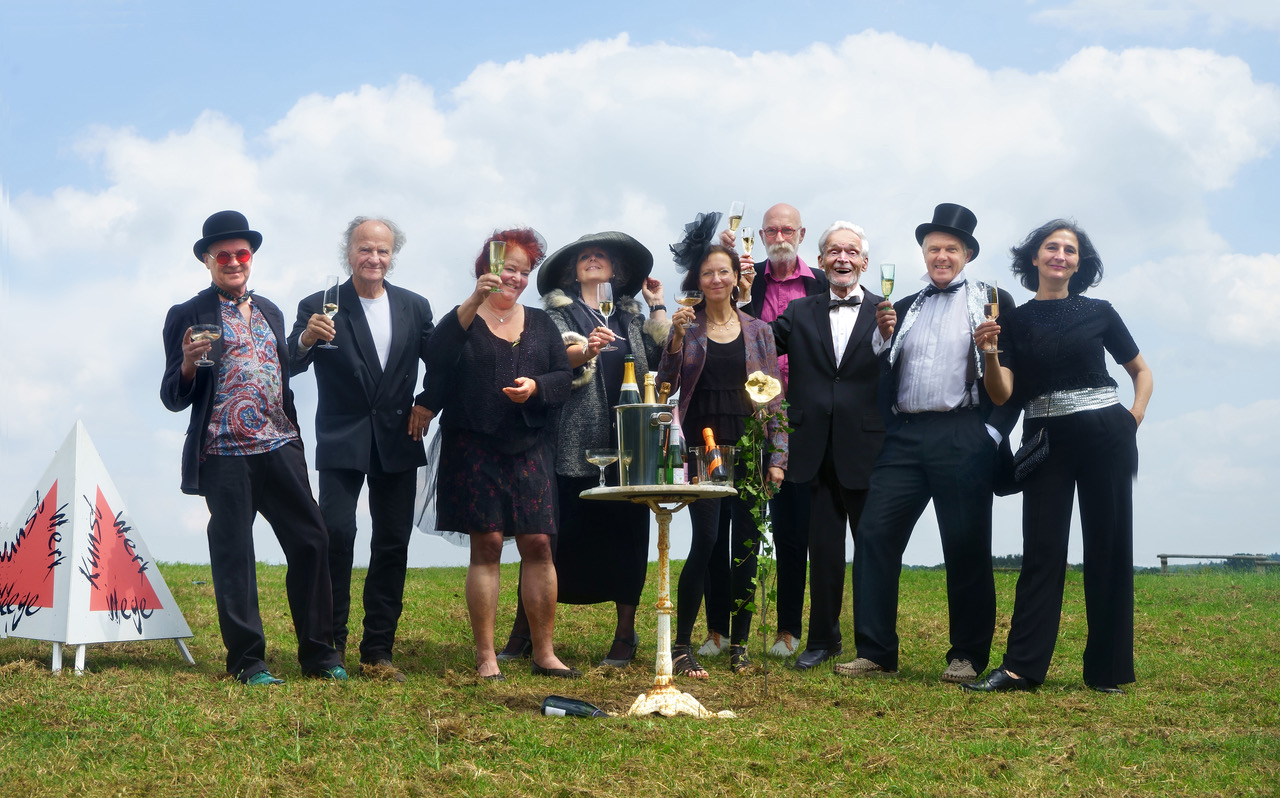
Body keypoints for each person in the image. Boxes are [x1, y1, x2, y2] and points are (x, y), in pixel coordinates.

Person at [963, 220, 1153, 694]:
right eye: (1052, 247)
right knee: (1042, 552)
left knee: (1109, 548)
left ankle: (1107, 671)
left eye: (1070, 250)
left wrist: (1132, 418)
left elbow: (1141, 371)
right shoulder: (1014, 321)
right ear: (1034, 257)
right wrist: (990, 353)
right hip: (1045, 440)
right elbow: (1002, 394)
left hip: (1107, 434)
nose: (1060, 255)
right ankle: (1020, 669)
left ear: (1078, 263)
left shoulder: (1100, 312)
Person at [160, 210, 345, 686]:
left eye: (241, 254)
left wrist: (304, 341)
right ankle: (248, 661)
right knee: (234, 552)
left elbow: (280, 367)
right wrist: (187, 363)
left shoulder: (269, 310)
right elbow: (172, 396)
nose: (233, 262)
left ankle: (320, 656)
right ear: (207, 261)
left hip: (279, 442)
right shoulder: (187, 314)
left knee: (312, 539)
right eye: (222, 255)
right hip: (223, 450)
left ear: (251, 258)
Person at [838, 203, 1018, 683]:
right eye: (934, 248)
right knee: (874, 535)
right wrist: (882, 341)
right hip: (904, 437)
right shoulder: (903, 306)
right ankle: (876, 652)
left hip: (964, 433)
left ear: (967, 255)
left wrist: (990, 434)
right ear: (923, 252)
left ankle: (967, 655)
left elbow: (1015, 373)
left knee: (965, 544)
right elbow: (882, 371)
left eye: (951, 249)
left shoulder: (994, 299)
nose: (941, 256)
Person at [495, 232, 670, 667]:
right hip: (571, 443)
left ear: (617, 270)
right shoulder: (554, 316)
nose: (592, 259)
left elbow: (664, 363)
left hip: (628, 445)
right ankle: (524, 631)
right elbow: (550, 363)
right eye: (584, 256)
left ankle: (625, 634)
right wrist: (585, 350)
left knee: (628, 538)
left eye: (601, 255)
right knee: (550, 539)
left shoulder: (630, 318)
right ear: (572, 272)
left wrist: (657, 307)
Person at [423, 228, 575, 680]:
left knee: (539, 543)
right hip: (474, 445)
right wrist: (475, 299)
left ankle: (544, 652)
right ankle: (486, 656)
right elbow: (436, 356)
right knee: (487, 543)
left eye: (524, 272)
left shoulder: (542, 324)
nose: (516, 278)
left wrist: (536, 387)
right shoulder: (464, 317)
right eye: (509, 268)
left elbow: (563, 378)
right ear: (487, 269)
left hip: (530, 445)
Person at [287, 216, 434, 683]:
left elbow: (444, 361)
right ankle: (330, 646)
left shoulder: (415, 306)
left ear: (393, 256)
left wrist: (429, 402)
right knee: (335, 532)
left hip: (398, 435)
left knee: (392, 542)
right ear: (348, 253)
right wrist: (307, 338)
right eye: (364, 249)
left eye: (382, 250)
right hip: (341, 435)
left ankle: (378, 651)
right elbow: (288, 361)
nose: (374, 258)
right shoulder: (318, 304)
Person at [657, 212, 787, 677]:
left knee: (747, 546)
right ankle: (681, 645)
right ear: (698, 281)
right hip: (702, 449)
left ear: (736, 278)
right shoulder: (687, 329)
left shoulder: (759, 331)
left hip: (749, 445)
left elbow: (774, 397)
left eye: (723, 272)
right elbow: (664, 386)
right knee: (707, 541)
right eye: (707, 273)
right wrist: (674, 337)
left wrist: (778, 457)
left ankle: (740, 646)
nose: (716, 279)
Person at [769, 222, 884, 670]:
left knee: (873, 551)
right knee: (823, 552)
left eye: (851, 252)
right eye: (834, 251)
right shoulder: (799, 311)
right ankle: (822, 640)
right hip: (812, 446)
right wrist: (730, 302)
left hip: (868, 447)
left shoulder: (887, 311)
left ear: (864, 262)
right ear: (820, 261)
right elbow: (757, 340)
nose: (842, 259)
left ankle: (873, 648)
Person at [718, 203, 828, 658]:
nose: (779, 237)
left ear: (801, 234)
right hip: (746, 414)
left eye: (787, 229)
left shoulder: (821, 283)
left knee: (792, 527)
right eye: (771, 230)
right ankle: (719, 630)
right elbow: (726, 328)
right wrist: (737, 286)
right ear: (760, 236)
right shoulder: (747, 278)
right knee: (731, 523)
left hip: (802, 415)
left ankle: (787, 629)